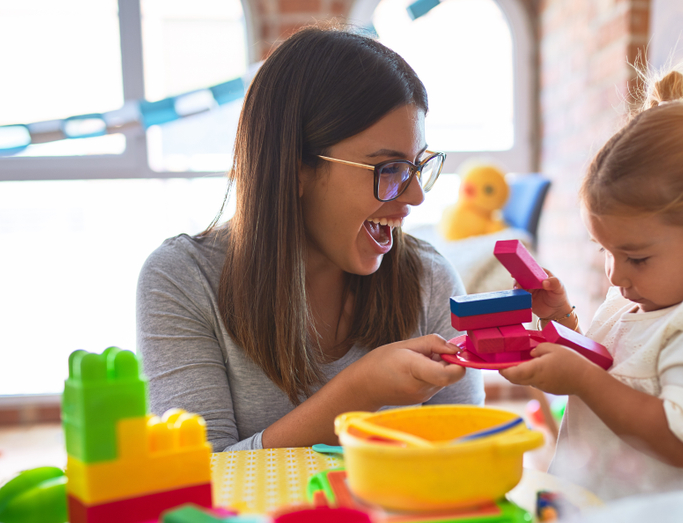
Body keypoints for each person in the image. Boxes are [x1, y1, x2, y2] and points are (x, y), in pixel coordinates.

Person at [136, 26, 483, 452]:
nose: (416, 196)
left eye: (416, 166)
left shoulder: (430, 280)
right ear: (295, 165)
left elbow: (470, 452)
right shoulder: (182, 280)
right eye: (388, 169)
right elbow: (199, 481)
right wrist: (359, 393)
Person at [500, 50, 683, 500]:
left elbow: (681, 441)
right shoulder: (642, 298)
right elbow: (614, 369)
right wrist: (562, 324)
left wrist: (579, 378)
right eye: (607, 251)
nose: (616, 276)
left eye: (636, 257)